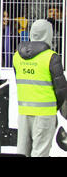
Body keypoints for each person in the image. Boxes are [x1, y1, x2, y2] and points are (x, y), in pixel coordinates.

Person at [13, 19, 67, 157]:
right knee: (40, 152)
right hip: (45, 113)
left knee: (22, 152)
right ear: (49, 34)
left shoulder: (17, 56)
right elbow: (61, 90)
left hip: (24, 111)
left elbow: (18, 79)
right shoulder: (51, 57)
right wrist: (55, 106)